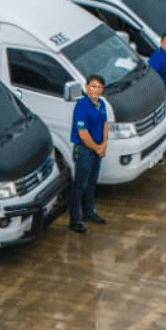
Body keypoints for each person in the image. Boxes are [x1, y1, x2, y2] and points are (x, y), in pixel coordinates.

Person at [68, 74, 107, 234]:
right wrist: (97, 148)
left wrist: (104, 144)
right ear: (86, 87)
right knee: (80, 185)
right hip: (85, 150)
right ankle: (75, 220)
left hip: (97, 149)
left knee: (92, 183)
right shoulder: (81, 106)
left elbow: (105, 124)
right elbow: (83, 133)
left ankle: (89, 213)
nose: (95, 90)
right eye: (92, 86)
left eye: (98, 87)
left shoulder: (101, 104)